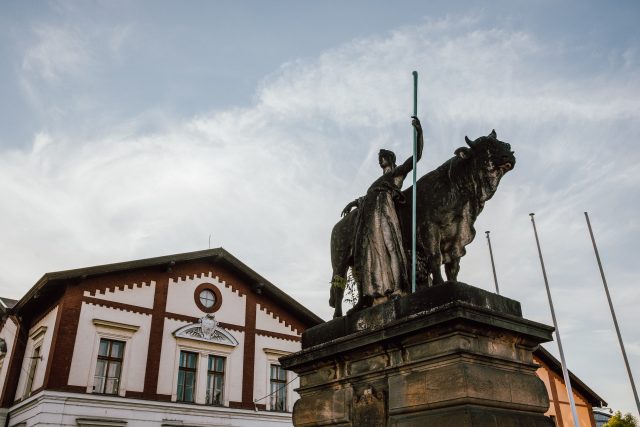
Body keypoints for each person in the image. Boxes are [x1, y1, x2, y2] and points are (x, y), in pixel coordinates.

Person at [341, 116, 423, 307]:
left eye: (384, 157)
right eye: (379, 158)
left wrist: (419, 132)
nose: (381, 160)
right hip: (370, 213)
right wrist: (353, 203)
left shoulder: (396, 173)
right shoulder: (376, 182)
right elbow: (366, 197)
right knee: (374, 251)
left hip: (384, 208)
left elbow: (416, 156)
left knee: (390, 247)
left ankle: (396, 288)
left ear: (391, 159)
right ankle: (377, 290)